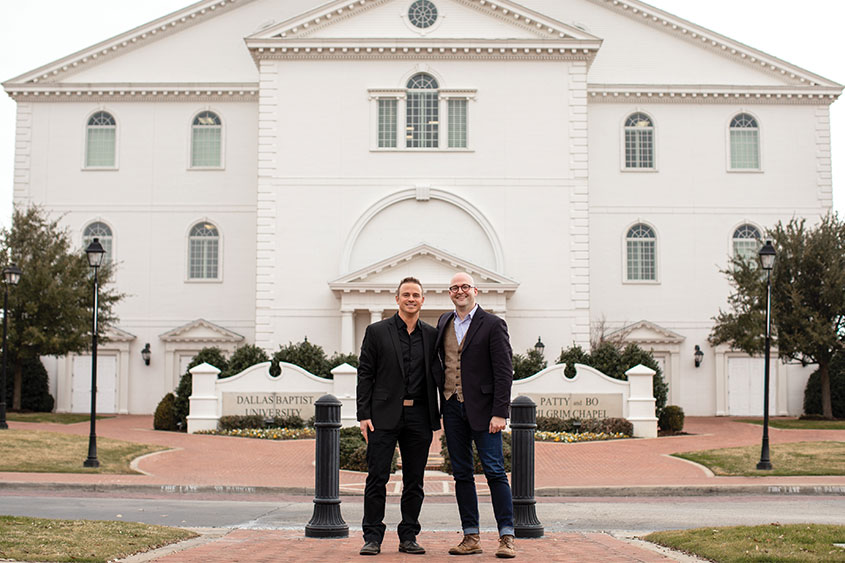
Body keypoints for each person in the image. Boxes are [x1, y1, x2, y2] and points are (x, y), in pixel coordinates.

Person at [356, 276, 442, 556]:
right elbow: (365, 374)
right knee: (376, 476)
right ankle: (372, 537)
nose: (411, 299)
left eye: (416, 295)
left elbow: (440, 374)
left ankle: (409, 536)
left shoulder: (431, 335)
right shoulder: (377, 331)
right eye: (406, 294)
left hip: (419, 414)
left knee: (414, 480)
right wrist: (363, 414)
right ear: (397, 299)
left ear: (422, 300)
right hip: (382, 415)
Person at [436, 272, 516, 558]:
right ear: (450, 293)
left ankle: (507, 536)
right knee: (462, 474)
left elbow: (504, 371)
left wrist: (499, 412)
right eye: (455, 288)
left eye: (465, 286)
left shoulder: (493, 324)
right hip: (452, 408)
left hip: (485, 412)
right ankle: (471, 536)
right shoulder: (444, 322)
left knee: (494, 472)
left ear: (475, 291)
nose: (460, 291)